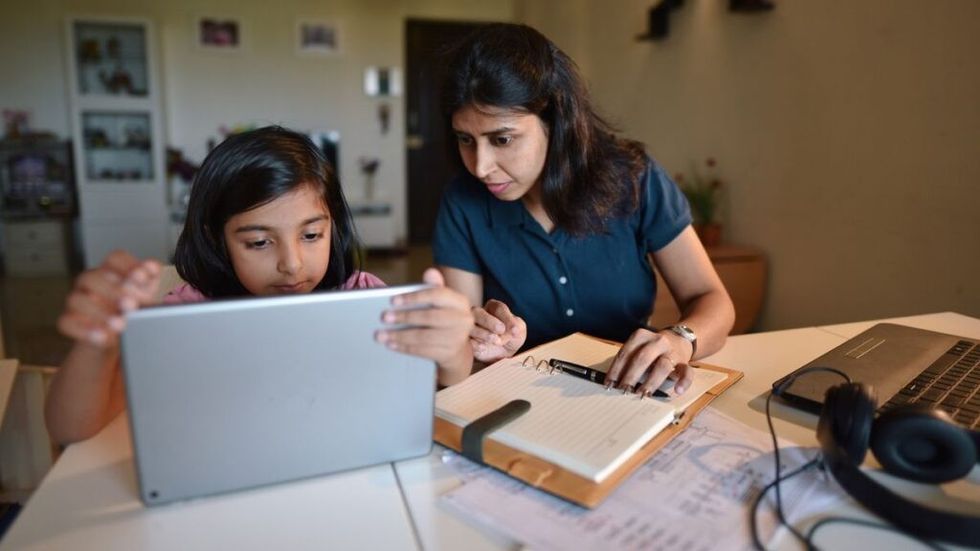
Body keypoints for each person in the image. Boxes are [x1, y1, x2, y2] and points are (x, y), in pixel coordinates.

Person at [46, 126, 475, 445]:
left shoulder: (363, 299)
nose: (292, 264)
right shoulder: (185, 316)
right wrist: (98, 347)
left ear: (334, 226)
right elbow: (70, 429)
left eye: (312, 235)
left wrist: (454, 353)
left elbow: (445, 393)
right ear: (217, 238)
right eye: (258, 242)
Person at [433, 23, 735, 399]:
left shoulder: (634, 178)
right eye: (465, 139)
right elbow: (462, 360)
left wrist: (679, 340)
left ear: (554, 120)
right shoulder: (462, 202)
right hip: (521, 399)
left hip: (632, 394)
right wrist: (484, 345)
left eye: (502, 139)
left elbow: (712, 300)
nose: (480, 166)